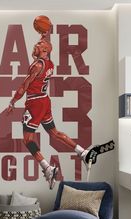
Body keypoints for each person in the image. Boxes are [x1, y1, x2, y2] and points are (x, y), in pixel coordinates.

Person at [6, 38, 91, 189]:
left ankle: (47, 168)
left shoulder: (37, 65)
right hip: (45, 101)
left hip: (35, 103)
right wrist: (43, 33)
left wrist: (12, 101)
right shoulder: (50, 64)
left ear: (44, 50)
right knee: (54, 133)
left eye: (38, 45)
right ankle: (82, 151)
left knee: (27, 139)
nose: (35, 46)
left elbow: (24, 85)